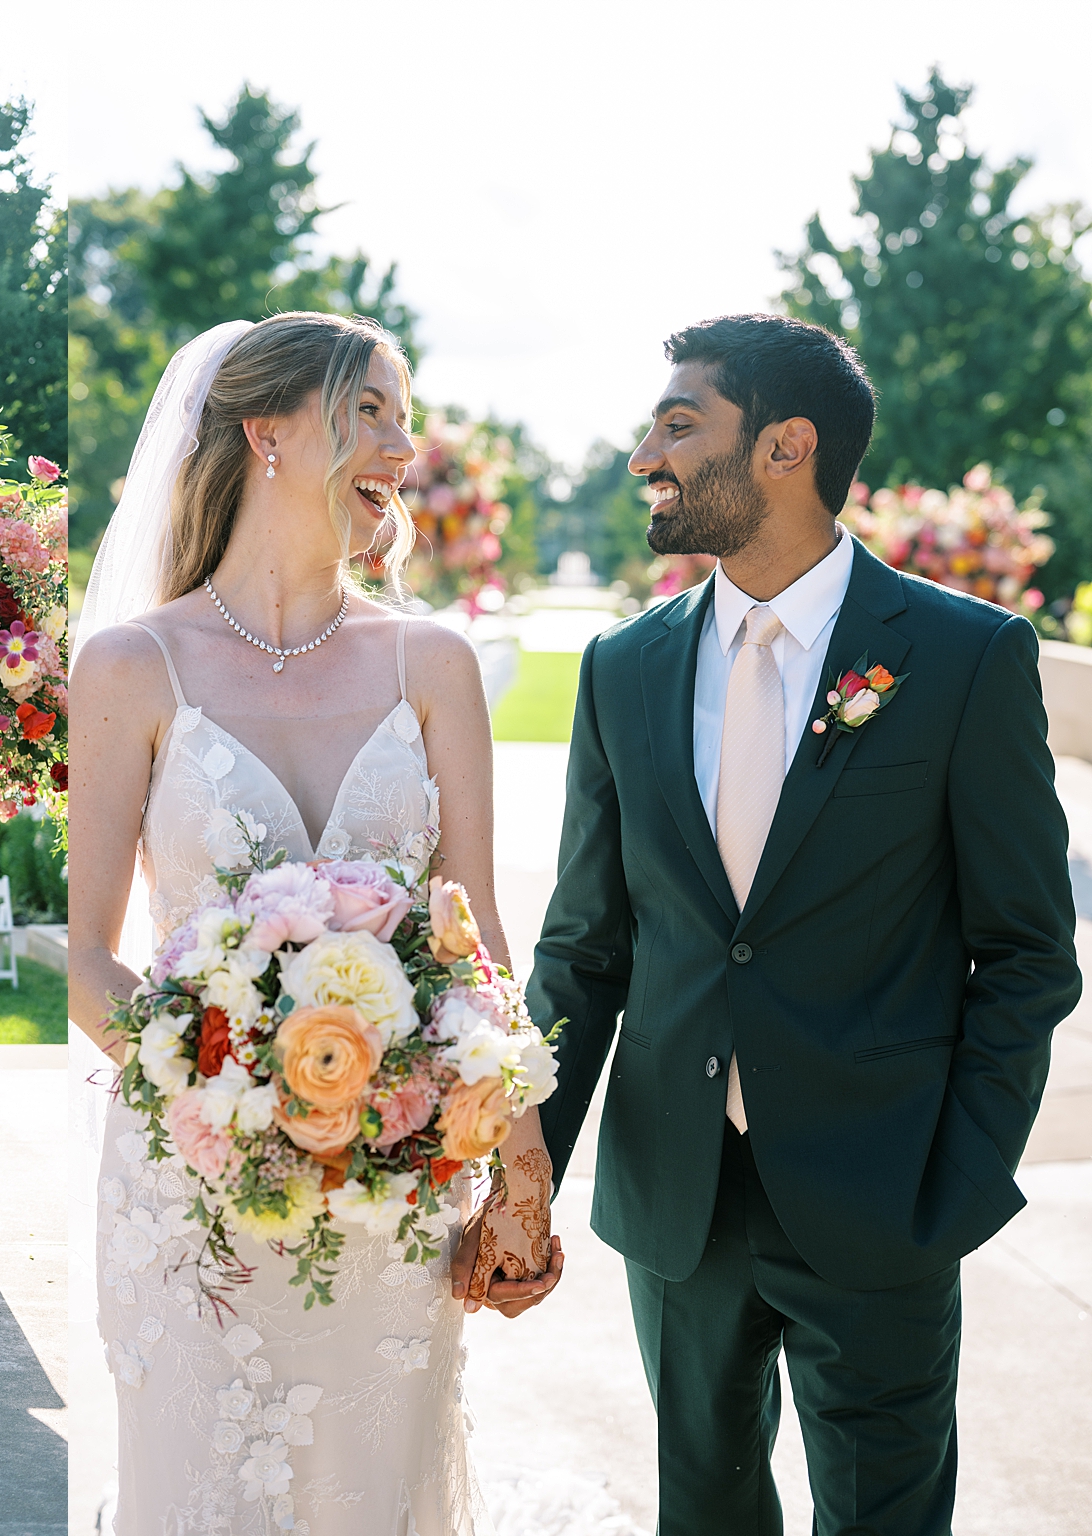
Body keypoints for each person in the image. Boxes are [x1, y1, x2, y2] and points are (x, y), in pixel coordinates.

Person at [530, 313, 1080, 1535]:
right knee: (704, 1516)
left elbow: (1029, 953)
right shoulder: (620, 667)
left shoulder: (959, 656)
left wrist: (956, 1172)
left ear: (784, 446)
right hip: (675, 1198)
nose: (643, 457)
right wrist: (527, 1162)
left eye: (679, 426)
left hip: (879, 1198)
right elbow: (585, 948)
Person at [69, 313, 572, 1534]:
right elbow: (88, 960)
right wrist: (229, 1095)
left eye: (404, 416)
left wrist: (518, 1163)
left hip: (395, 1183)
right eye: (371, 411)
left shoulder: (431, 662)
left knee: (368, 1489)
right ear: (267, 433)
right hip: (192, 1190)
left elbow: (475, 943)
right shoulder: (132, 666)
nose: (403, 445)